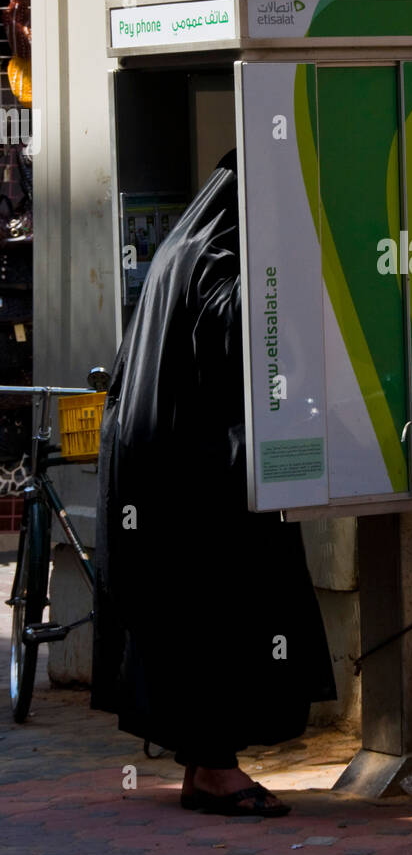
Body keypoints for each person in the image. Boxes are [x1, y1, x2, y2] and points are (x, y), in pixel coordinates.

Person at [91, 148, 336, 816]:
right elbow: (239, 334)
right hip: (188, 473)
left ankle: (206, 767)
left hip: (164, 466)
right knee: (221, 613)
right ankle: (218, 770)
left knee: (200, 614)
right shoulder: (220, 259)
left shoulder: (186, 246)